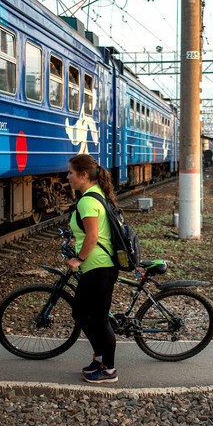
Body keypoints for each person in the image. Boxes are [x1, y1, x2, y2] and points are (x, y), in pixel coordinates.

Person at [66, 154, 120, 384]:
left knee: (96, 319)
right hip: (101, 267)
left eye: (70, 172)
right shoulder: (97, 194)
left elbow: (93, 235)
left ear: (83, 175)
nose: (67, 177)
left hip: (98, 268)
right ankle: (100, 358)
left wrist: (78, 258)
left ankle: (108, 369)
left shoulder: (87, 200)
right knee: (84, 314)